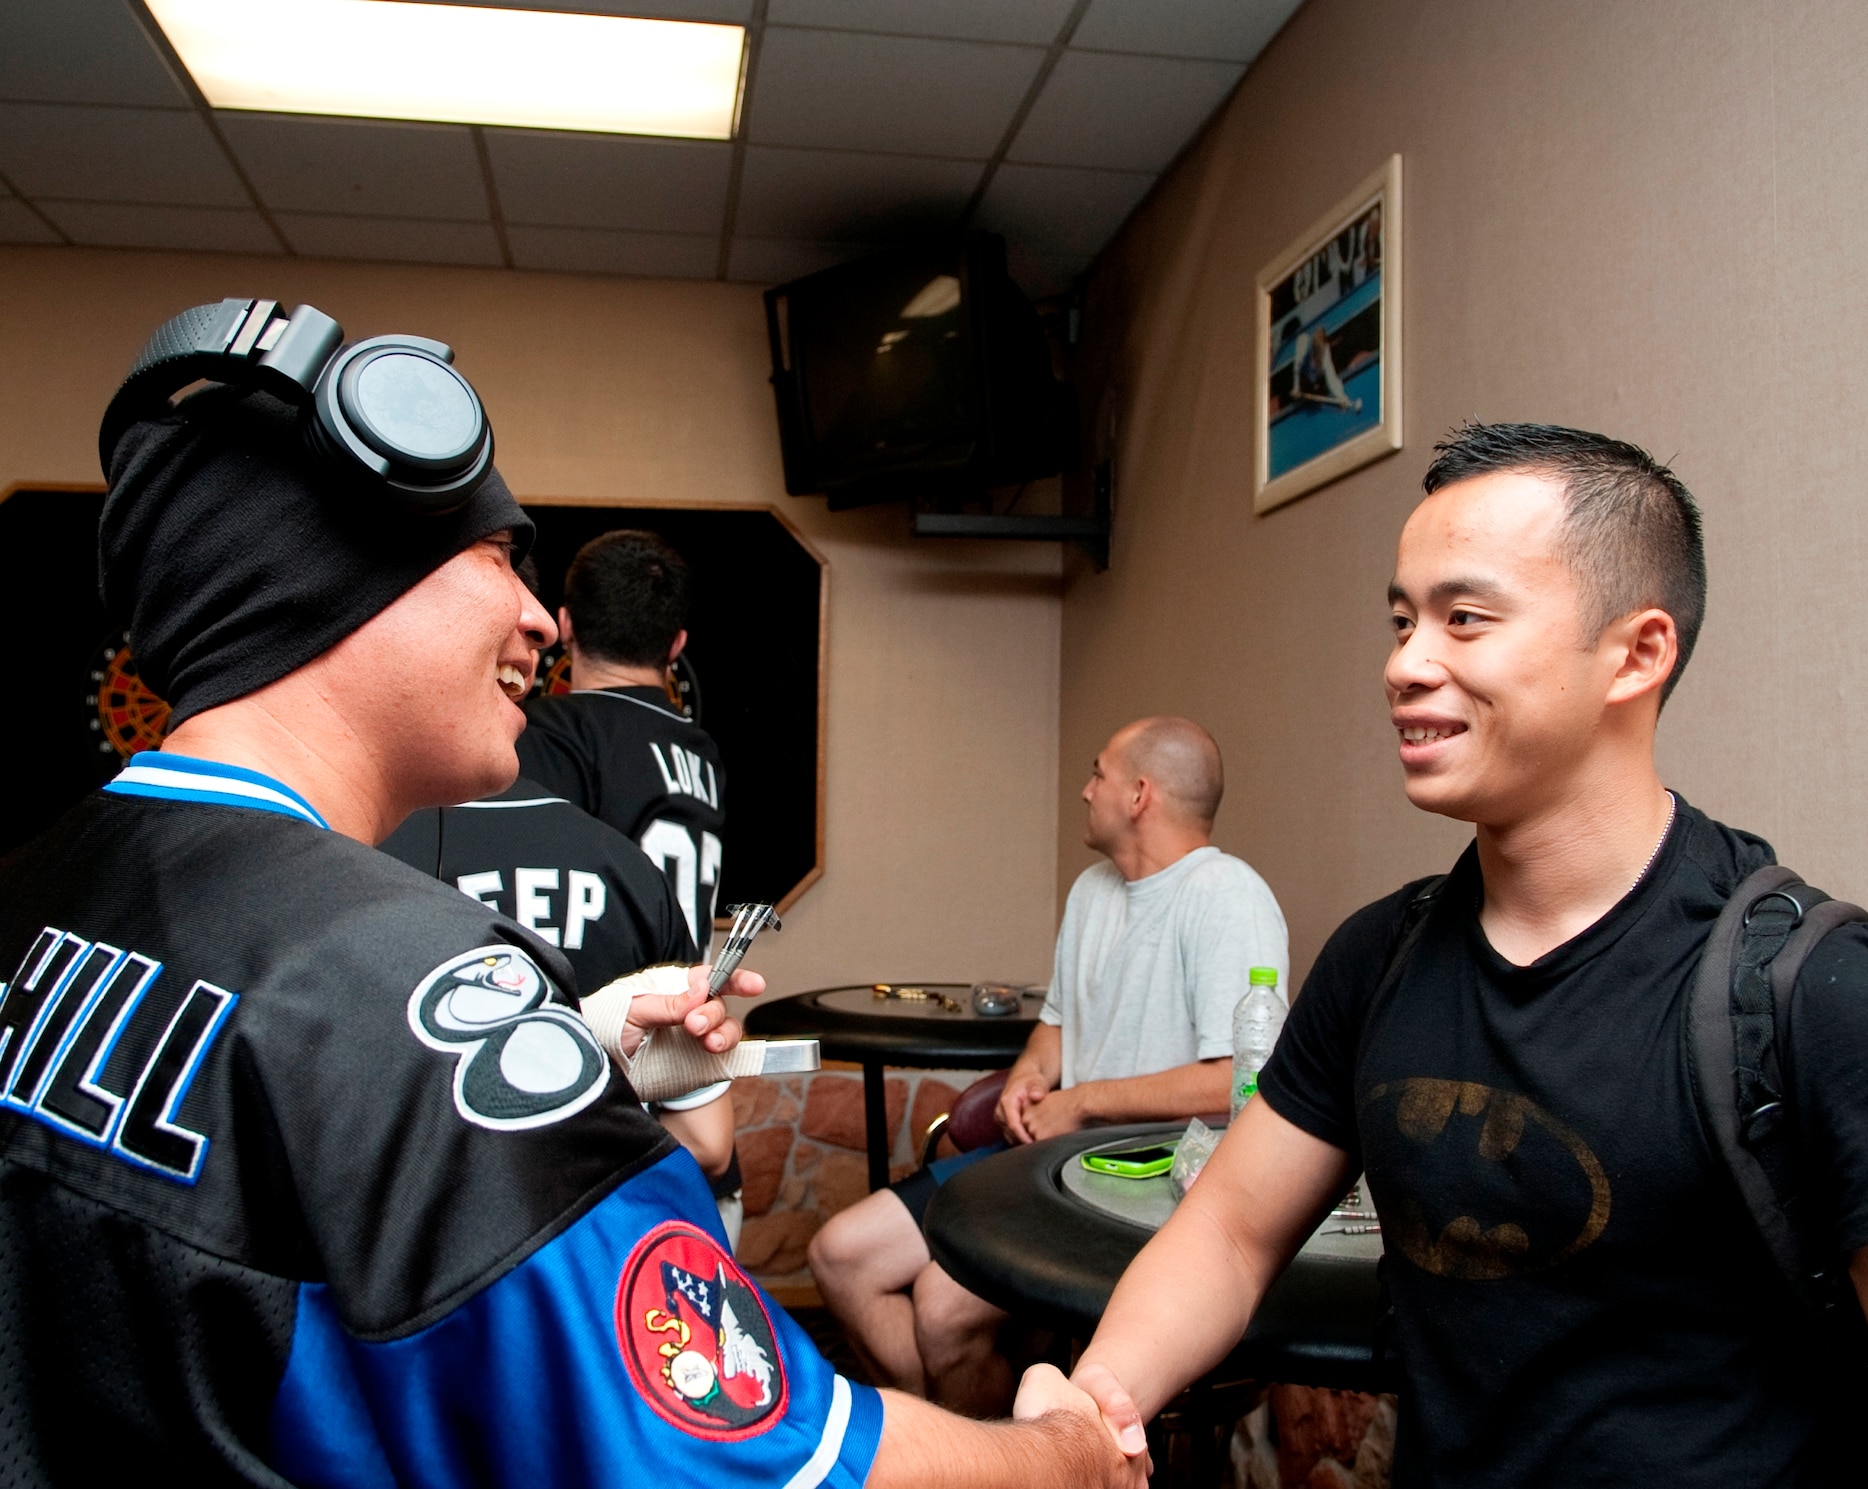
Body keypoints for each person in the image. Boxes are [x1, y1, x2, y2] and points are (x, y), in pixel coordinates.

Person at [0, 313, 1140, 1489]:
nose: (542, 622)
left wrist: (575, 1053)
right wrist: (1071, 1454)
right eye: (499, 558)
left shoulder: (37, 883)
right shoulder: (415, 987)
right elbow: (762, 1468)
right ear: (346, 581)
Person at [1065, 424, 1868, 1486]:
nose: (1404, 664)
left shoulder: (1830, 1003)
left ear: (1636, 653)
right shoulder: (1380, 956)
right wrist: (1093, 1411)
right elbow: (1229, 1231)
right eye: (1401, 620)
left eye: (1463, 619)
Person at [811, 716, 1288, 1417]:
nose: (1086, 789)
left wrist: (1086, 1102)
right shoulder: (1092, 890)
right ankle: (962, 1460)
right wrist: (1034, 1074)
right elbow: (1056, 1025)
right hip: (1046, 1156)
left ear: (1139, 796)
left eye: (1099, 774)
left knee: (943, 1310)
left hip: (1143, 1183)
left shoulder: (1228, 897)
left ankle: (975, 1460)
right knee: (840, 1253)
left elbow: (1235, 1083)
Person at [379, 772, 746, 1243]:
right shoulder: (627, 864)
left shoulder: (361, 858)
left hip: (431, 1256)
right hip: (597, 1248)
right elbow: (708, 1143)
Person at [516, 531, 727, 948]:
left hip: (603, 1007)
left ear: (565, 624)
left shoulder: (545, 732)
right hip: (685, 1001)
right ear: (676, 645)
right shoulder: (702, 752)